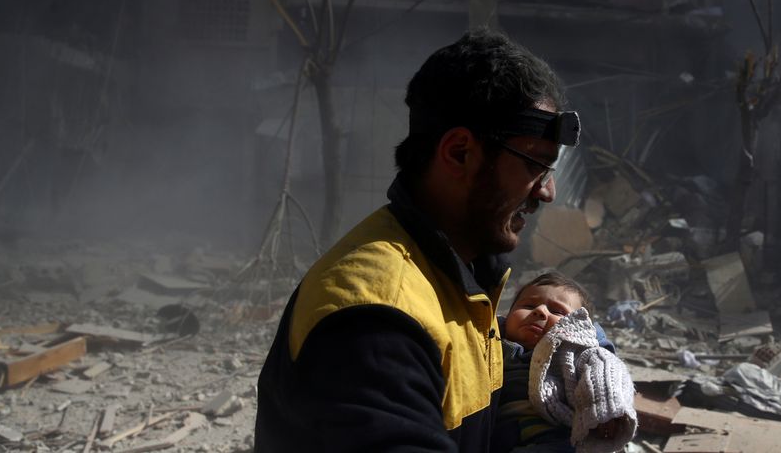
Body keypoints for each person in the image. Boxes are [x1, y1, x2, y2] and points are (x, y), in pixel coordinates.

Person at [254, 29, 581, 452]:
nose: (547, 192)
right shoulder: (376, 322)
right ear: (460, 153)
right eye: (536, 165)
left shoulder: (460, 285)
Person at [494, 272, 637, 452]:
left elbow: (605, 372)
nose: (540, 311)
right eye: (528, 305)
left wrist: (606, 410)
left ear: (579, 327)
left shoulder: (576, 352)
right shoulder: (491, 341)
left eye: (556, 311)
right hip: (499, 434)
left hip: (556, 435)